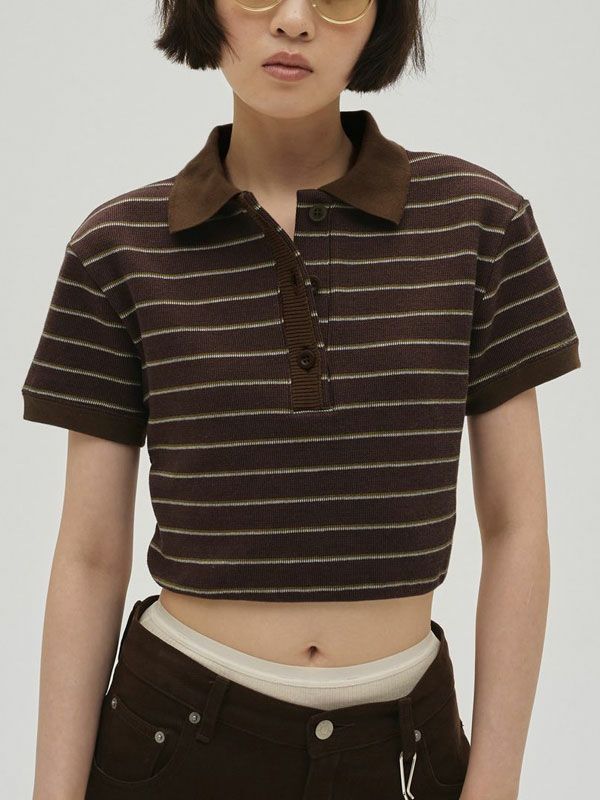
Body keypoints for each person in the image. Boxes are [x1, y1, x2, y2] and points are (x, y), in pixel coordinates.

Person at [22, 2, 581, 799]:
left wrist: (496, 785)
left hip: (403, 749)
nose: (294, 20)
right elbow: (88, 557)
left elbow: (519, 528)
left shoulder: (480, 224)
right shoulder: (117, 249)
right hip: (174, 744)